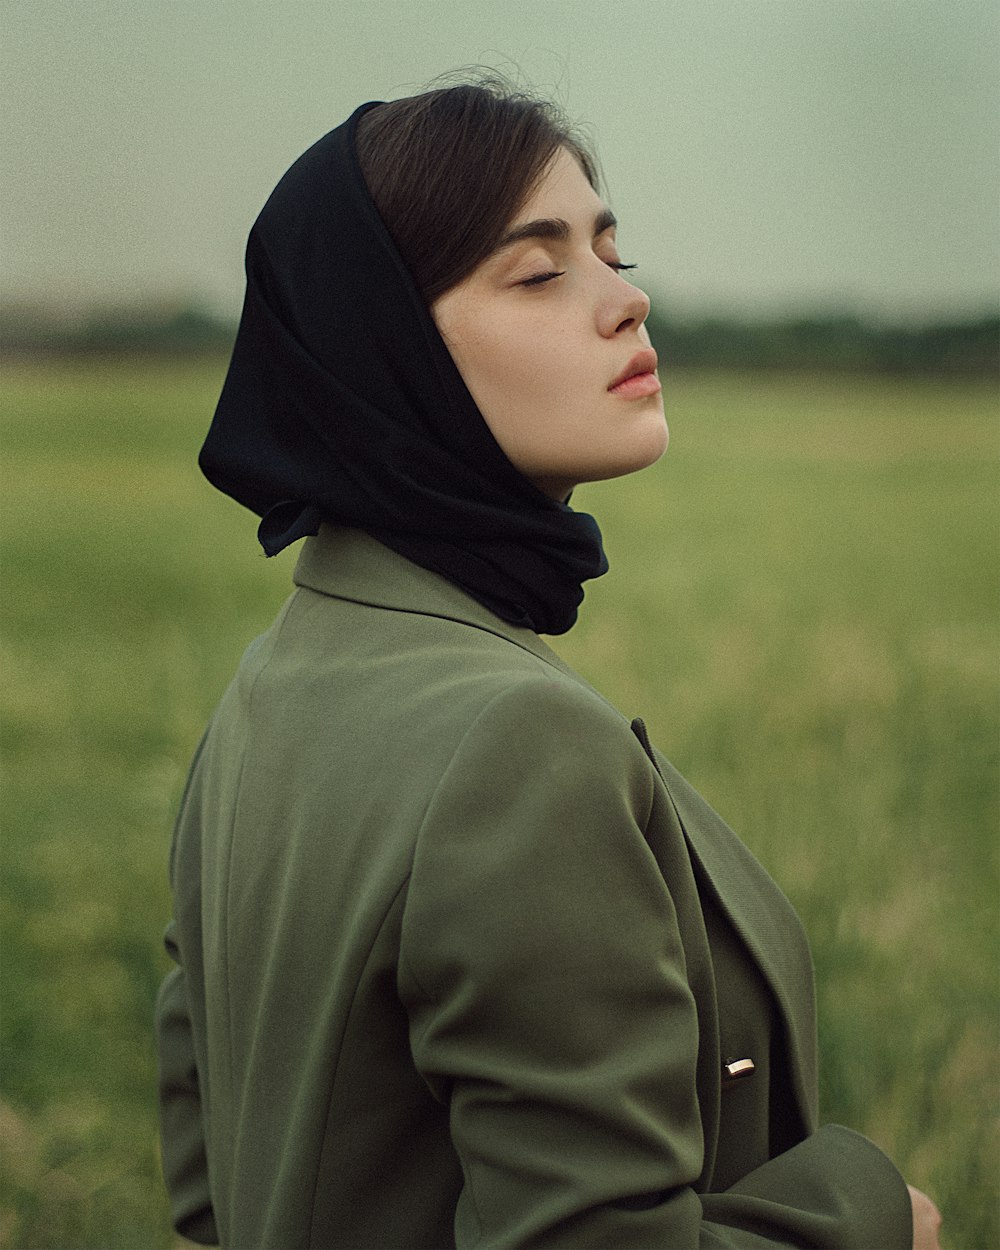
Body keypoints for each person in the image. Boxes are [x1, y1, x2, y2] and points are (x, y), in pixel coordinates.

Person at [155, 77, 941, 1249]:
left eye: (612, 251)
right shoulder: (515, 744)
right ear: (382, 348)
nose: (626, 301)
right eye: (538, 270)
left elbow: (209, 1183)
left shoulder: (272, 687)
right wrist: (875, 1214)